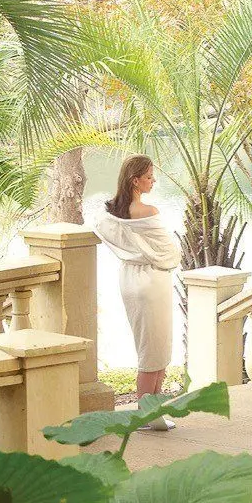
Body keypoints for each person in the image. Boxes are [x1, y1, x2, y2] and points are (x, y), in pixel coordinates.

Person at [93, 155, 181, 429]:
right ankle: (146, 414)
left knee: (148, 345)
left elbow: (104, 232)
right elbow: (168, 251)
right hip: (152, 282)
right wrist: (169, 255)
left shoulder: (108, 215)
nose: (153, 182)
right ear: (136, 180)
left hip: (130, 280)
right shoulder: (149, 212)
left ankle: (151, 412)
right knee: (155, 347)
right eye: (150, 177)